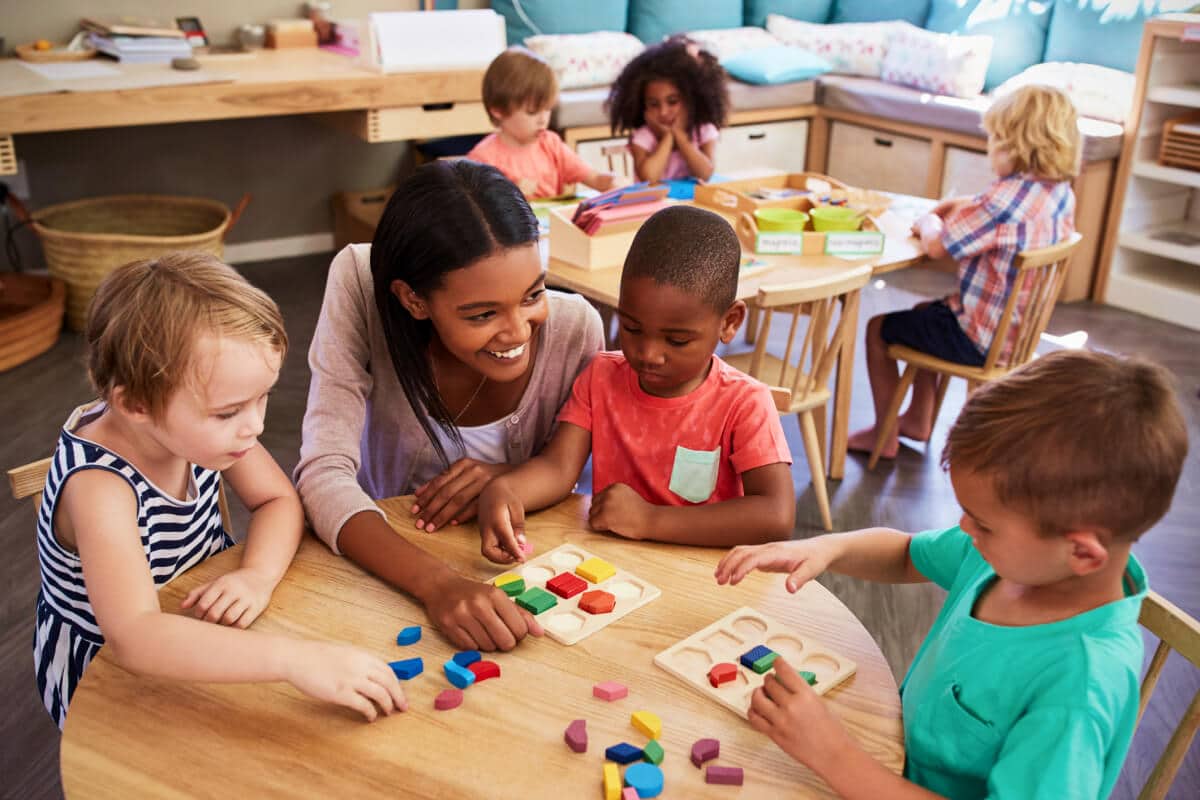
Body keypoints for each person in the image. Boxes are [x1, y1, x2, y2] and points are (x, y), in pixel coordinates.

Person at [715, 350, 1188, 799]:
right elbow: (906, 554)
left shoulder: (1079, 688)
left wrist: (834, 755)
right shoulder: (1012, 558)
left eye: (982, 523)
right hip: (888, 760)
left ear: (1083, 554)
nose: (966, 529)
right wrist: (826, 547)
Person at [34, 253, 406, 729]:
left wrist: (257, 575)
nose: (255, 426)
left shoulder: (194, 428)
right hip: (107, 673)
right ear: (136, 405)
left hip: (200, 616)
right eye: (229, 411)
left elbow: (277, 500)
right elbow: (135, 637)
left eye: (262, 397)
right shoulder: (99, 489)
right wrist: (293, 660)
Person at [295, 160, 605, 649]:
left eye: (533, 294)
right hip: (386, 562)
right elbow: (322, 474)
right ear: (413, 301)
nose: (518, 332)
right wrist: (437, 584)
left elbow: (575, 474)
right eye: (482, 314)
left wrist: (508, 473)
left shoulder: (576, 329)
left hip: (521, 572)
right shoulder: (362, 281)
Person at [477, 205, 794, 562]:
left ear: (729, 322)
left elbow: (776, 516)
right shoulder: (601, 376)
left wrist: (650, 520)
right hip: (616, 569)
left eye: (676, 341)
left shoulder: (744, 403)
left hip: (704, 577)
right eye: (631, 328)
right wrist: (506, 489)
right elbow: (558, 469)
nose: (648, 354)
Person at [848, 85, 1080, 459]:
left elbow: (938, 245)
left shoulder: (1001, 201)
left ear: (1015, 146)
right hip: (1016, 335)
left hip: (978, 340)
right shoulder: (1059, 193)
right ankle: (918, 419)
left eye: (994, 141)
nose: (990, 149)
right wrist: (967, 205)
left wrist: (927, 221)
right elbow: (1000, 218)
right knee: (926, 313)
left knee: (879, 330)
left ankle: (884, 434)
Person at [466, 46, 620, 198]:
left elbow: (594, 179)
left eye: (547, 109)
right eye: (532, 112)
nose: (543, 120)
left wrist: (612, 182)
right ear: (498, 110)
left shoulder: (551, 144)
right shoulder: (483, 159)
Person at [606, 36, 730, 184]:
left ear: (691, 100)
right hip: (657, 206)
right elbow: (649, 178)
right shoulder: (644, 136)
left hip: (691, 204)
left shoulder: (703, 130)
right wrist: (668, 138)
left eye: (672, 102)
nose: (663, 111)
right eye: (653, 104)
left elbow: (705, 174)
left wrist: (680, 136)